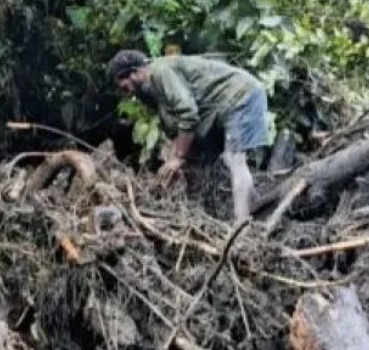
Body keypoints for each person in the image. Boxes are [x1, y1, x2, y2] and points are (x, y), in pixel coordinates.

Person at [108, 50, 268, 222]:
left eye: (124, 87)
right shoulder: (149, 91)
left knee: (234, 159)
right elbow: (175, 129)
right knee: (202, 162)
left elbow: (188, 114)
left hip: (240, 96)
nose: (127, 93)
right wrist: (170, 161)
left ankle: (242, 226)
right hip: (220, 107)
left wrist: (178, 157)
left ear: (134, 72)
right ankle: (251, 204)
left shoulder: (161, 71)